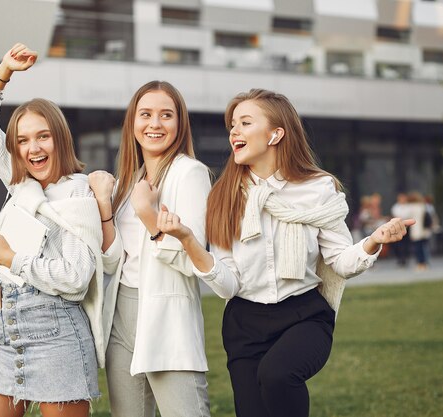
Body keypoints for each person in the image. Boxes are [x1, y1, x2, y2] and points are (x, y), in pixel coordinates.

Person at [156, 88, 414, 417]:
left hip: (305, 316)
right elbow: (228, 286)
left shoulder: (319, 189)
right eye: (232, 125)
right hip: (244, 324)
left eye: (245, 122)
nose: (234, 131)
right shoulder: (224, 197)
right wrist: (188, 240)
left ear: (276, 133)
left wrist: (373, 241)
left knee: (277, 375)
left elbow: (341, 263)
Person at [0, 43, 105, 417]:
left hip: (57, 337)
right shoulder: (20, 183)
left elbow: (77, 278)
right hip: (8, 336)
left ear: (60, 137)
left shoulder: (77, 194)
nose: (33, 148)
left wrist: (12, 259)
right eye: (22, 141)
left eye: (42, 136)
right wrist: (4, 73)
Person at [87, 81, 212, 416]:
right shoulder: (129, 180)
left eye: (166, 115)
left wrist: (149, 215)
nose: (155, 124)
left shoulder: (191, 174)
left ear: (180, 123)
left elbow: (195, 260)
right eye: (146, 114)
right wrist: (103, 205)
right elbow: (113, 258)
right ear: (133, 123)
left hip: (168, 317)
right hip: (122, 316)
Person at [407, 191, 432, 271]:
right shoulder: (423, 206)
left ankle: (420, 263)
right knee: (424, 248)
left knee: (418, 248)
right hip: (424, 231)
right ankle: (425, 263)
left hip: (416, 231)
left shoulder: (411, 207)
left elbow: (406, 216)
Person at [391, 192, 412, 266]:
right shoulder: (396, 207)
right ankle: (400, 258)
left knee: (406, 243)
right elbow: (395, 215)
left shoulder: (409, 207)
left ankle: (405, 258)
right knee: (398, 244)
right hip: (398, 227)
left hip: (407, 227)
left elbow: (409, 215)